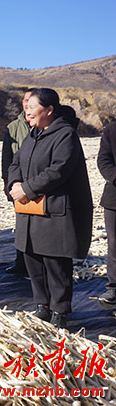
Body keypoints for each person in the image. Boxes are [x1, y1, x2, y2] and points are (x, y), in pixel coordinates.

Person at [9, 88, 92, 328]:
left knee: (55, 263)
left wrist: (27, 189)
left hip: (54, 210)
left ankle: (59, 310)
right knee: (33, 259)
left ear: (49, 110)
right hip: (30, 211)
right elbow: (16, 161)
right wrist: (15, 183)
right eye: (26, 107)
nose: (28, 111)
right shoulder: (32, 134)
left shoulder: (65, 134)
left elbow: (58, 170)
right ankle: (42, 305)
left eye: (32, 107)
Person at [1, 89, 34, 276]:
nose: (28, 104)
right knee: (21, 224)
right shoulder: (13, 127)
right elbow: (7, 157)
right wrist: (8, 182)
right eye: (25, 101)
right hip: (18, 184)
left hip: (38, 183)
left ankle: (38, 263)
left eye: (32, 101)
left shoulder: (44, 124)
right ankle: (20, 262)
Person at [98, 121, 116, 305]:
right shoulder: (112, 130)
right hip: (114, 197)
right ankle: (114, 287)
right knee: (114, 243)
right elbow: (103, 160)